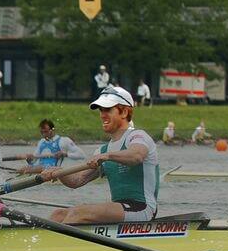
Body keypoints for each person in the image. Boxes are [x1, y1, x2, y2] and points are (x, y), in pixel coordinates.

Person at [40, 86, 158, 224]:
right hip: (121, 209)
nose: (102, 115)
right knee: (58, 214)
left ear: (124, 112)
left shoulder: (138, 136)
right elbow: (78, 180)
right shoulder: (102, 151)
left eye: (108, 109)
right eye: (101, 110)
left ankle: (65, 243)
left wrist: (107, 156)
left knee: (78, 213)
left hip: (142, 209)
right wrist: (60, 172)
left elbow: (136, 156)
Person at [17, 119, 86, 175]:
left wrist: (65, 154)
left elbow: (81, 155)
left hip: (53, 170)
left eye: (46, 132)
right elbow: (34, 161)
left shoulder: (64, 141)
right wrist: (29, 159)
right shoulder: (41, 142)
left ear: (52, 130)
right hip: (41, 170)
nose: (44, 135)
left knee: (30, 169)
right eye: (42, 132)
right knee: (22, 169)